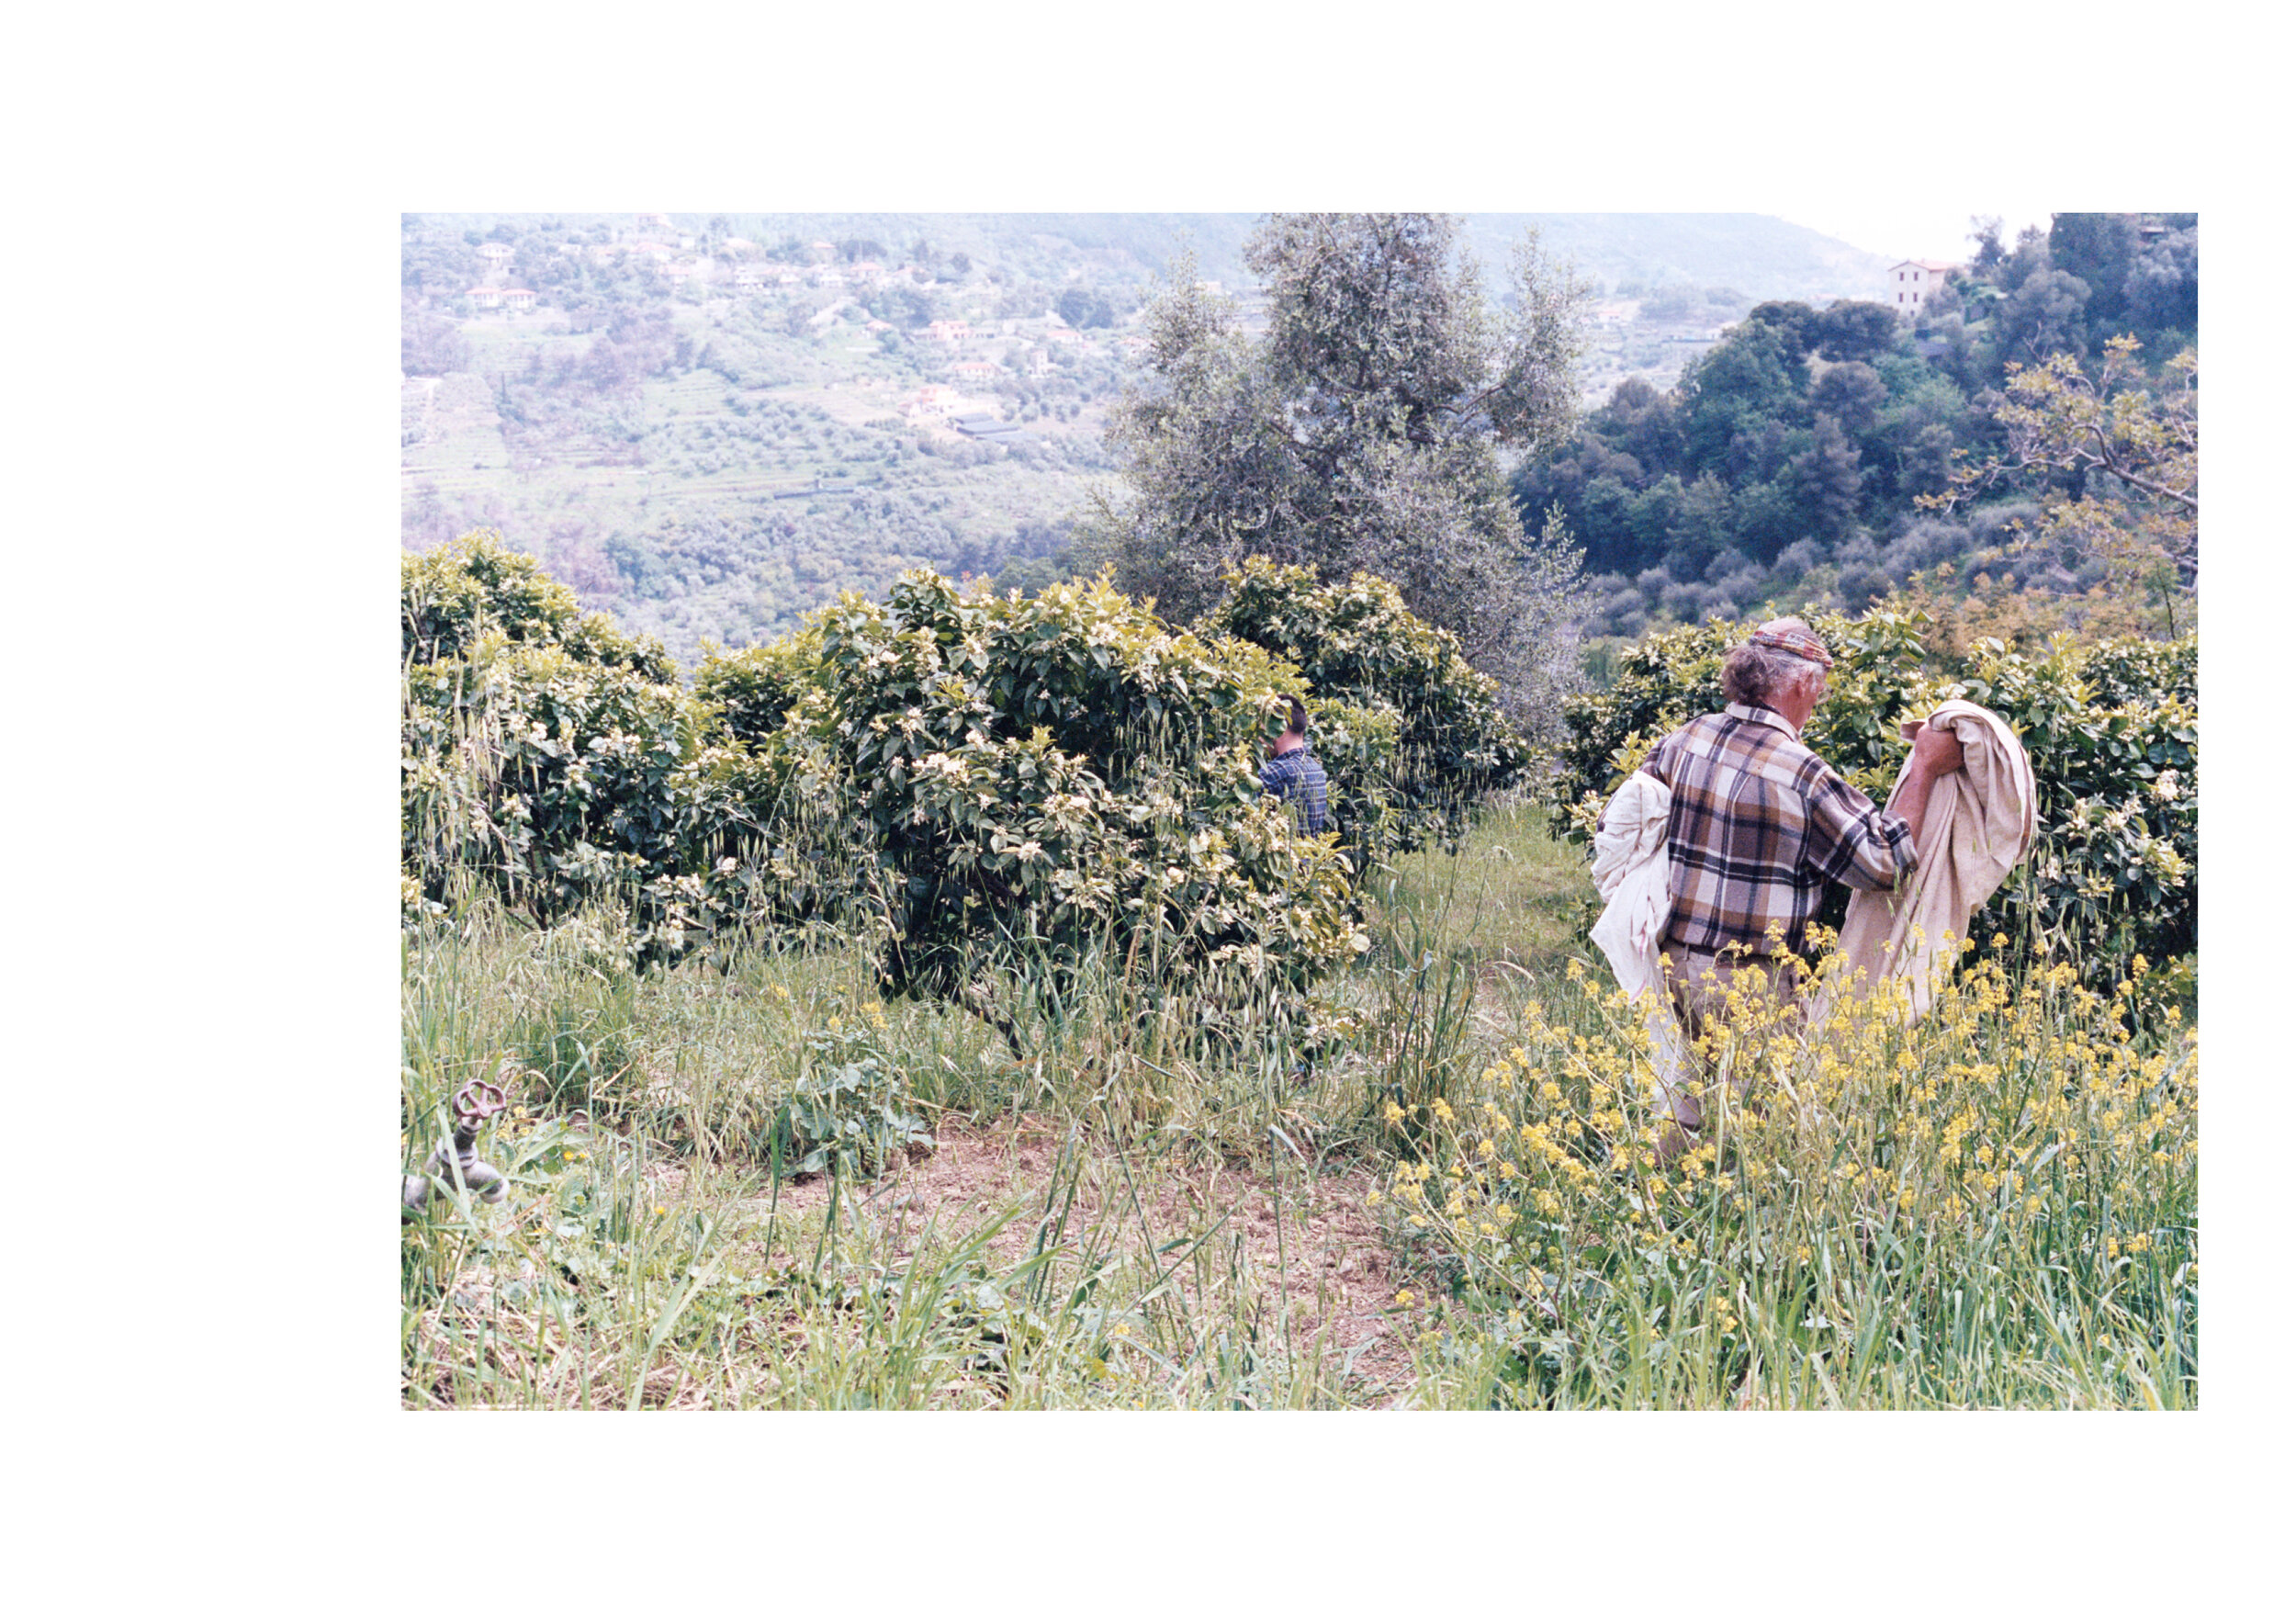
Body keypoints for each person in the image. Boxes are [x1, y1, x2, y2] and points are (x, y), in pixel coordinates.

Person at [1622, 617, 1964, 1158]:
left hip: (1669, 961)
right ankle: (1745, 1233)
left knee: (1688, 1105)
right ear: (1802, 684)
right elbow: (1883, 863)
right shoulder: (1801, 773)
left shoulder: (1685, 738)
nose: (1816, 705)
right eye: (1819, 693)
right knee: (1764, 1133)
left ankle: (1654, 1218)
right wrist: (1922, 766)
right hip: (1747, 980)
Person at [1259, 693, 1330, 837]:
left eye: (1263, 730)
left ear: (1280, 727)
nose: (1260, 738)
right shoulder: (1317, 770)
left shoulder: (1276, 772)